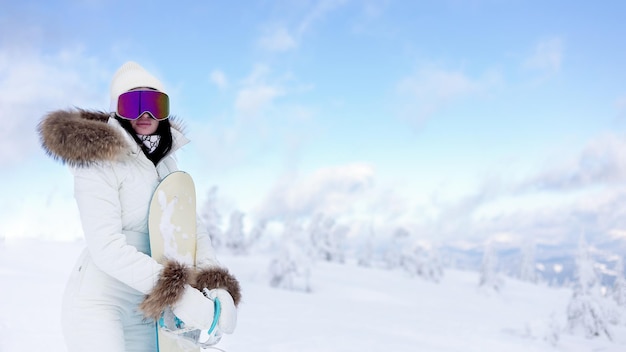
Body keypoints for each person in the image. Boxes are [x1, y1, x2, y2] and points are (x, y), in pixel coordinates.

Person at [38, 61, 241, 352]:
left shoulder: (168, 165)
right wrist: (180, 296)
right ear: (117, 110)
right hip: (100, 302)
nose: (145, 114)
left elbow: (191, 231)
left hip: (150, 308)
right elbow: (106, 247)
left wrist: (216, 285)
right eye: (133, 103)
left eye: (155, 104)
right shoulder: (99, 161)